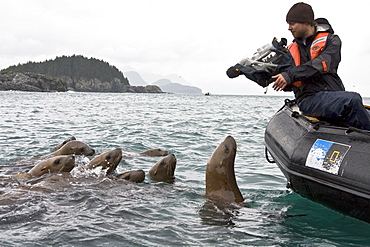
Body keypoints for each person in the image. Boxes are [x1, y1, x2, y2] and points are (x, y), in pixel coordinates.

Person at [272, 2, 370, 130]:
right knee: (352, 99)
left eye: (292, 23)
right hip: (309, 99)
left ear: (306, 23)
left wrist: (290, 75)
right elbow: (286, 84)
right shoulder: (290, 52)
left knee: (352, 102)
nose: (289, 28)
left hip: (334, 96)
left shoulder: (332, 40)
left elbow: (322, 63)